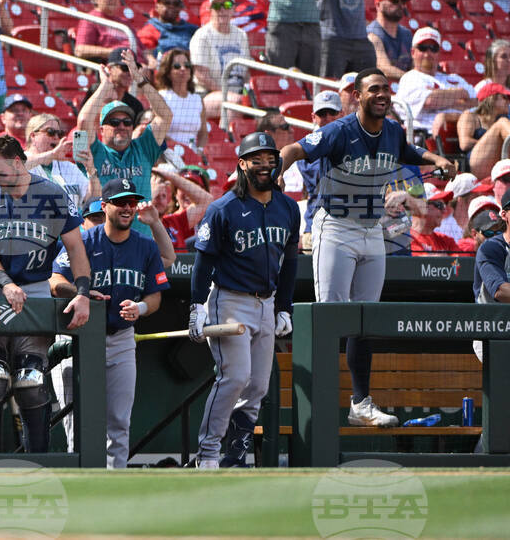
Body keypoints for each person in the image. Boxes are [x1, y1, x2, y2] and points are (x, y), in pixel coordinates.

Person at [278, 68, 455, 428]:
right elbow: (292, 148)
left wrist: (436, 160)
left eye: (385, 89)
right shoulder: (339, 130)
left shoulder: (392, 130)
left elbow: (407, 150)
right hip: (337, 227)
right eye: (373, 89)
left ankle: (360, 405)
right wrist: (280, 171)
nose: (382, 94)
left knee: (365, 320)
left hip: (373, 229)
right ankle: (320, 405)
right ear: (357, 96)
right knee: (330, 317)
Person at [0, 135, 91, 453]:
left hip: (33, 286)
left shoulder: (52, 194)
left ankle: (39, 460)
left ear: (18, 163)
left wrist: (85, 291)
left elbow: (75, 247)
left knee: (30, 379)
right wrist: (5, 284)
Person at [189, 134, 299, 470]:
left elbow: (290, 262)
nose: (265, 165)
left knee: (258, 385)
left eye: (270, 158)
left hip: (266, 303)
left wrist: (284, 306)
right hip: (230, 300)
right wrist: (196, 306)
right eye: (257, 159)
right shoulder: (222, 208)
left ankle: (234, 455)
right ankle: (207, 454)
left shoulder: (288, 207)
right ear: (242, 164)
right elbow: (203, 263)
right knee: (234, 377)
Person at [50, 178, 170, 467]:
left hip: (121, 339)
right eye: (120, 203)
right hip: (76, 337)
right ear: (104, 207)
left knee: (119, 419)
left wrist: (141, 308)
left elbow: (155, 296)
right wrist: (81, 292)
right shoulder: (84, 242)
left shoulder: (145, 247)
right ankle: (78, 479)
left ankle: (115, 480)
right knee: (75, 420)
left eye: (131, 202)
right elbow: (55, 281)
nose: (127, 208)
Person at [77, 52, 172, 236]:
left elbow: (165, 115)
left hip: (140, 243)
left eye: (127, 122)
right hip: (101, 242)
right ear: (101, 129)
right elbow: (83, 122)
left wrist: (140, 79)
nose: (121, 126)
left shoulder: (143, 148)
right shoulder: (92, 151)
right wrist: (105, 86)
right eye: (114, 122)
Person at [394, 27, 475, 144]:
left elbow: (475, 102)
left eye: (433, 48)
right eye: (423, 48)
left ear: (439, 53)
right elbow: (430, 101)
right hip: (428, 141)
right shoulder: (410, 78)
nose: (428, 54)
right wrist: (460, 93)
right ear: (413, 52)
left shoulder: (454, 78)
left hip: (464, 133)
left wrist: (445, 111)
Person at [189, 0, 250, 119]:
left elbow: (246, 72)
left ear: (234, 9)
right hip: (205, 93)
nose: (222, 10)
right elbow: (201, 75)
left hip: (237, 91)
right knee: (235, 103)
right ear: (210, 9)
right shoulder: (202, 36)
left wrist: (249, 93)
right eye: (217, 6)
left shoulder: (241, 35)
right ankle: (229, 138)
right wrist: (226, 93)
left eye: (227, 5)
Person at [297, 90, 344, 250]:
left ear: (342, 113)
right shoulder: (306, 146)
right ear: (314, 117)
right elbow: (321, 177)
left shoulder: (353, 140)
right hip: (317, 227)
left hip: (350, 228)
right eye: (322, 113)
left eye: (332, 112)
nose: (328, 118)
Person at [23, 113, 97, 210]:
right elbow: (16, 168)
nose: (56, 137)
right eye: (51, 132)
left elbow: (92, 199)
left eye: (60, 134)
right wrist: (52, 154)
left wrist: (90, 169)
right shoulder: (19, 158)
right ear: (33, 135)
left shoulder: (68, 167)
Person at [74, 0, 141, 63]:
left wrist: (151, 59)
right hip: (118, 68)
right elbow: (80, 50)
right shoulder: (89, 20)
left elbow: (142, 48)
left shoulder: (125, 23)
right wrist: (115, 53)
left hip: (140, 67)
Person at [154, 47, 206, 150]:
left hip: (193, 156)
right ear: (168, 72)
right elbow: (157, 132)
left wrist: (199, 151)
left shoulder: (197, 99)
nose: (183, 69)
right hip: (168, 152)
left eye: (187, 65)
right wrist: (181, 150)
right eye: (177, 66)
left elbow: (203, 133)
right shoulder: (161, 97)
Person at [137, 0, 199, 64]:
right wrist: (152, 61)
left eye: (176, 4)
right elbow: (145, 52)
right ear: (156, 6)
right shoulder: (150, 29)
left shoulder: (191, 29)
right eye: (167, 3)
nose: (171, 6)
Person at [460, 83, 510, 178]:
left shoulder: (503, 118)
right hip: (476, 162)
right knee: (502, 123)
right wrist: (494, 143)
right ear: (492, 99)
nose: (508, 102)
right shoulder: (470, 115)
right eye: (504, 97)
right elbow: (464, 143)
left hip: (497, 161)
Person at [367, 0, 413, 82]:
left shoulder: (407, 34)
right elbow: (384, 69)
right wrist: (412, 80)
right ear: (378, 5)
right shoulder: (372, 35)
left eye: (403, 2)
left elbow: (414, 67)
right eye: (394, 1)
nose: (401, 5)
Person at [410, 185, 461, 255]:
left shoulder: (447, 241)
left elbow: (459, 264)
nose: (444, 211)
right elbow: (419, 263)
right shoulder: (405, 239)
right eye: (440, 205)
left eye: (445, 204)